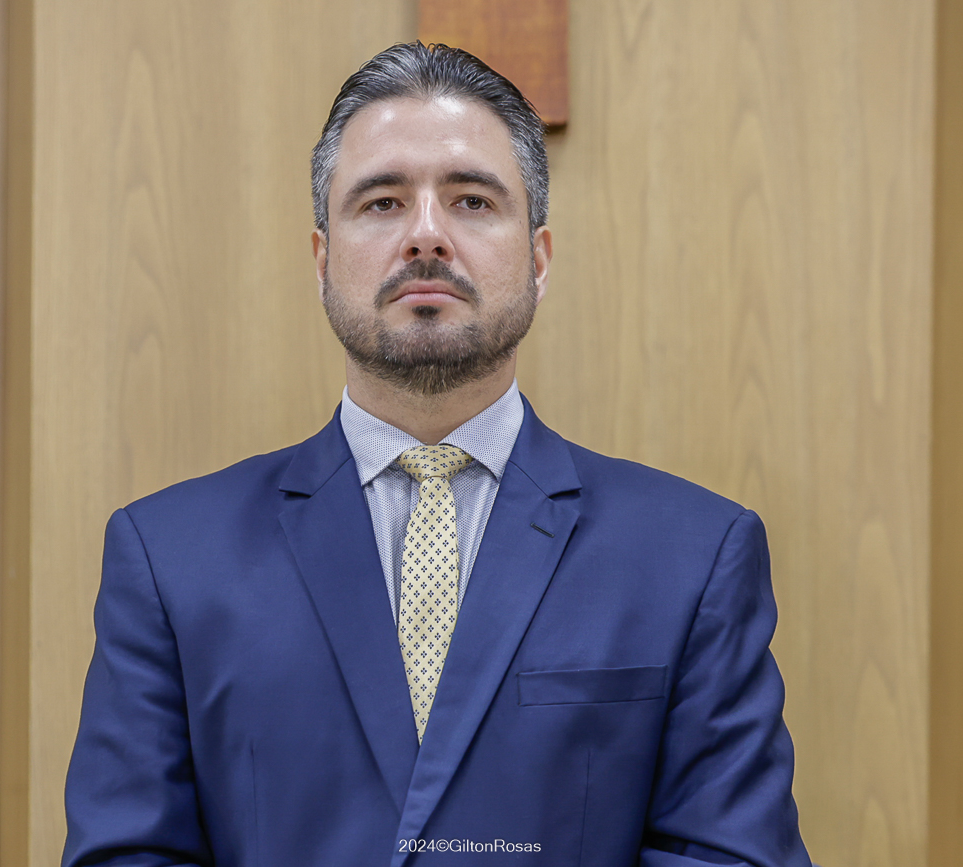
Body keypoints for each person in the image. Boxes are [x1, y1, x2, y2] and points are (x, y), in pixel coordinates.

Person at [63, 42, 813, 867]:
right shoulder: (169, 560)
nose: (426, 235)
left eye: (472, 201)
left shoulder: (693, 558)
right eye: (383, 202)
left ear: (538, 260)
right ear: (322, 260)